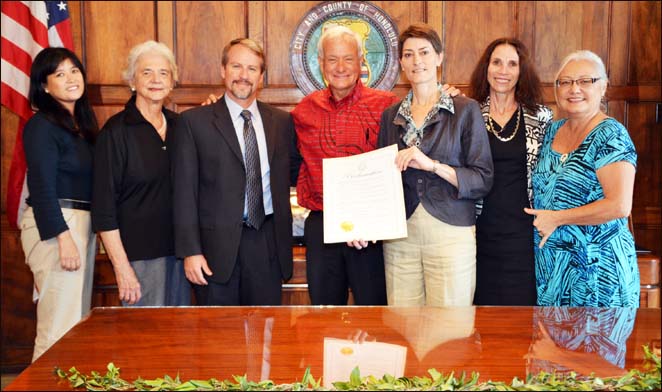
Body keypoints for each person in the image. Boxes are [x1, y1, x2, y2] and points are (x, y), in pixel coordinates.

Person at [170, 38, 296, 305]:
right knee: (220, 339)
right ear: (223, 70)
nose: (243, 76)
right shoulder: (194, 123)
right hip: (215, 251)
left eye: (252, 69)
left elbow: (294, 174)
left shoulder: (282, 122)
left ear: (261, 77)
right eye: (237, 66)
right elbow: (184, 193)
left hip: (267, 244)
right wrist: (191, 251)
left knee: (266, 335)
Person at [377, 23, 493, 307]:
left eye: (425, 52)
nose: (417, 61)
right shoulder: (390, 115)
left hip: (451, 231)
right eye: (409, 54)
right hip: (400, 236)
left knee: (449, 330)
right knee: (404, 327)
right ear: (401, 63)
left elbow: (482, 179)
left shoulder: (466, 110)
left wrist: (432, 166)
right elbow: (382, 181)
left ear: (439, 57)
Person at [289, 25, 396, 306]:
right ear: (321, 63)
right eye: (332, 59)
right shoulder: (303, 111)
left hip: (371, 229)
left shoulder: (388, 106)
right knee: (324, 315)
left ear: (361, 62)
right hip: (321, 226)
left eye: (348, 58)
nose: (340, 67)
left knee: (374, 316)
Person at [524, 50, 639, 307]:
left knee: (596, 347)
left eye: (585, 81)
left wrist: (558, 218)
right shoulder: (552, 131)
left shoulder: (611, 135)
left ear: (603, 87)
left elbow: (619, 206)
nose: (574, 89)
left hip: (599, 271)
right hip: (553, 270)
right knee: (552, 346)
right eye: (565, 82)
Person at [91, 40, 190, 306]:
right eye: (147, 72)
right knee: (144, 340)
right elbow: (104, 209)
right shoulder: (115, 132)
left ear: (172, 82)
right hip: (139, 260)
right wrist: (122, 268)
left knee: (180, 338)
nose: (156, 80)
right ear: (132, 80)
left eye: (164, 73)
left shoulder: (182, 127)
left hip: (182, 257)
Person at [19, 47, 99, 361]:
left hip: (80, 224)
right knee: (57, 328)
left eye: (74, 70)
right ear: (44, 86)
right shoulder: (42, 126)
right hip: (57, 226)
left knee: (74, 323)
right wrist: (62, 237)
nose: (70, 79)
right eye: (59, 74)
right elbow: (41, 187)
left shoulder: (80, 125)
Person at [468, 38, 553, 306]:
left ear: (521, 71)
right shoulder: (468, 113)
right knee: (481, 316)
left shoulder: (541, 117)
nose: (503, 71)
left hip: (524, 231)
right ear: (486, 68)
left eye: (512, 64)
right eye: (497, 62)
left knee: (522, 316)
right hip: (479, 230)